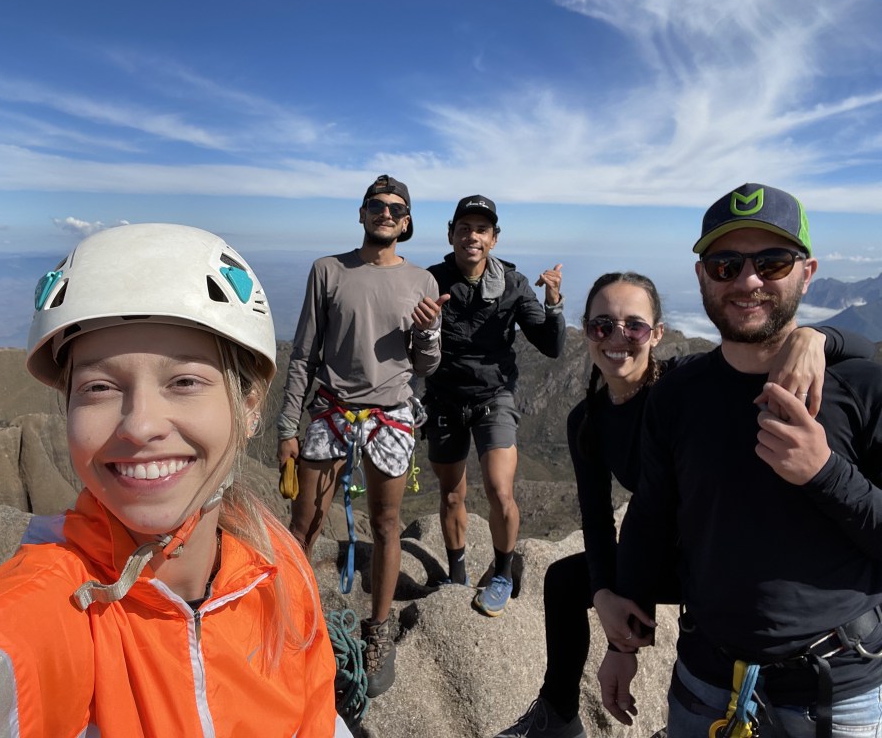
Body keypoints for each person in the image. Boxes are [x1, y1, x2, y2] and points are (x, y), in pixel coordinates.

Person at [0, 223, 350, 737]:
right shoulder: (56, 602)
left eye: (184, 381)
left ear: (248, 407)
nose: (140, 425)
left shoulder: (279, 569)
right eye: (98, 387)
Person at [495, 268, 872, 738]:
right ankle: (557, 715)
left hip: (714, 554)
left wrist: (816, 337)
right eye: (602, 326)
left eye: (634, 327)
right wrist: (605, 593)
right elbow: (597, 520)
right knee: (565, 579)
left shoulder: (682, 386)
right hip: (662, 554)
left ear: (656, 334)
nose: (617, 337)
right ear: (586, 332)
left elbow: (858, 352)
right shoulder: (587, 420)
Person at [598, 183, 882, 737]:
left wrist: (826, 474)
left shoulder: (864, 389)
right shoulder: (676, 397)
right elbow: (650, 519)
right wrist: (621, 645)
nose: (748, 281)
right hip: (704, 682)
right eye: (726, 265)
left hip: (837, 692)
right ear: (703, 276)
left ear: (807, 272)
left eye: (772, 263)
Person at [277, 174, 445, 698]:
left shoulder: (422, 282)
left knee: (387, 524)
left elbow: (426, 365)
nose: (385, 212)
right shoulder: (328, 270)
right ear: (362, 213)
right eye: (377, 204)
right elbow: (303, 354)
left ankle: (377, 632)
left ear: (407, 221)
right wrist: (286, 426)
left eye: (396, 207)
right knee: (303, 523)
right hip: (331, 409)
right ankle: (289, 617)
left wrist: (428, 333)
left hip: (391, 412)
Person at [423, 194, 565, 616]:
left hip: (493, 397)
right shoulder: (430, 281)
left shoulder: (513, 284)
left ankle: (502, 573)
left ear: (494, 239)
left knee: (500, 490)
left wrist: (553, 302)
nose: (472, 236)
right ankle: (457, 574)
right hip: (445, 398)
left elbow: (552, 345)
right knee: (451, 494)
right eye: (464, 228)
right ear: (451, 234)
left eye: (481, 230)